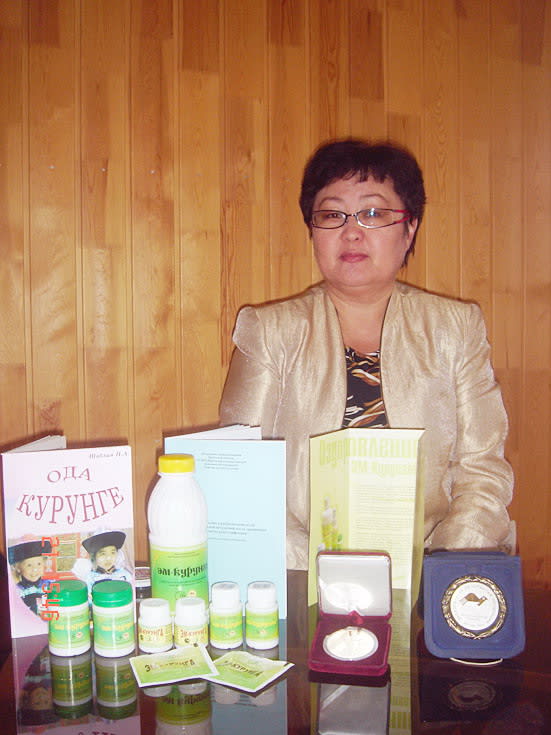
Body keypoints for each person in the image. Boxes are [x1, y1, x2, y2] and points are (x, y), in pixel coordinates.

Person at [219, 138, 514, 570]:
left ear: (409, 229)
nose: (352, 231)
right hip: (300, 573)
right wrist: (322, 575)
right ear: (312, 230)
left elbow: (482, 471)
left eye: (374, 213)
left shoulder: (456, 327)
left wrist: (441, 570)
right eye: (332, 215)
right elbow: (240, 471)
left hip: (433, 566)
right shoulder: (270, 331)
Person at [73, 529, 132, 595]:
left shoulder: (124, 575)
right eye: (103, 554)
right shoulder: (91, 578)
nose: (108, 558)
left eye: (112, 553)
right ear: (94, 556)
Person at [8, 539, 55, 616]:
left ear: (44, 564)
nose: (35, 569)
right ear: (18, 568)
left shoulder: (51, 585)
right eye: (29, 565)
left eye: (39, 564)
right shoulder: (16, 590)